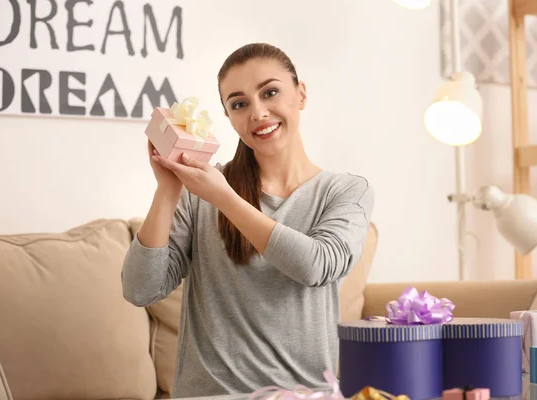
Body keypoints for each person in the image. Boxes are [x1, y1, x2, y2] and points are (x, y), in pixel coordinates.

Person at [121, 42, 374, 398]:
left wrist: (225, 198)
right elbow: (140, 289)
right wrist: (168, 189)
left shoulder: (345, 191)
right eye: (239, 104)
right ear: (229, 117)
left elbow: (316, 266)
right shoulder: (200, 192)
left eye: (270, 92)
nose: (258, 113)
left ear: (301, 94)